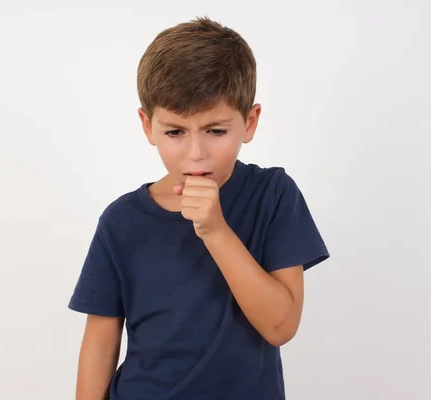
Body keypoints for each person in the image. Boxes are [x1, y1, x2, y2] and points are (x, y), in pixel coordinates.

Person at [68, 16, 330, 400]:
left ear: (250, 122)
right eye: (175, 132)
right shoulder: (121, 221)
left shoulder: (273, 194)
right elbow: (100, 341)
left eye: (216, 131)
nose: (196, 153)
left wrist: (215, 230)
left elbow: (281, 325)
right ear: (147, 126)